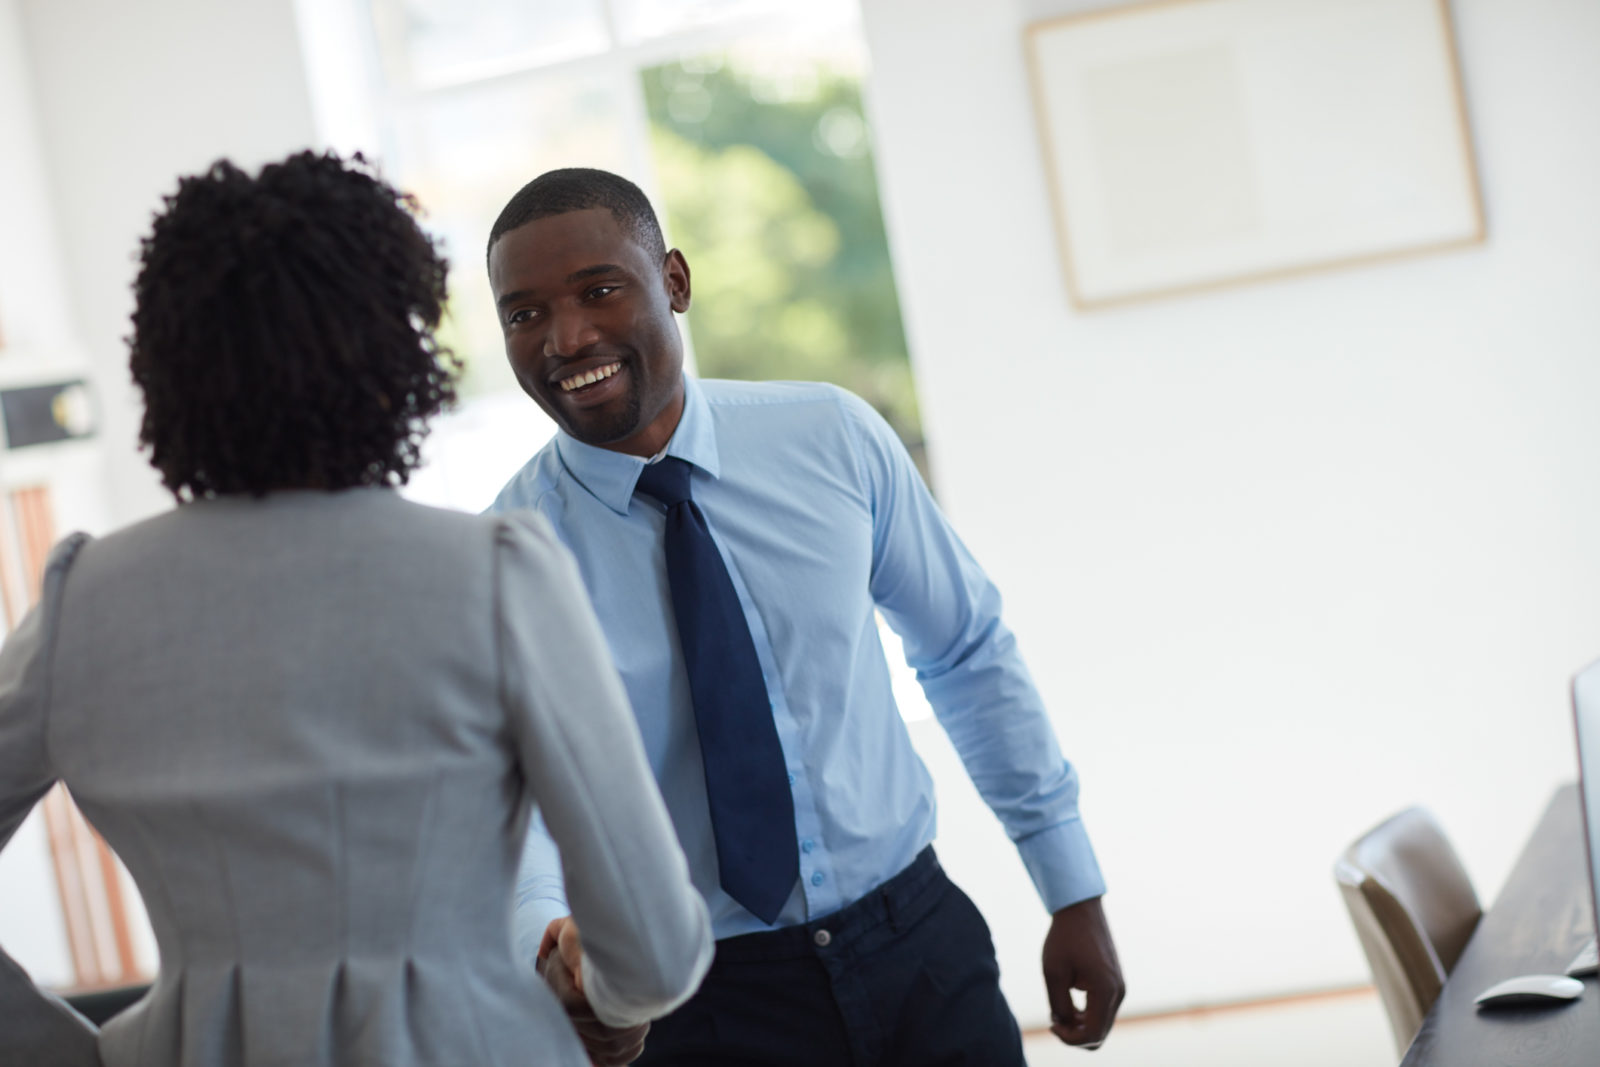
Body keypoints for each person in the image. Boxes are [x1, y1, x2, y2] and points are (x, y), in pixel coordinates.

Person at [0, 151, 711, 1067]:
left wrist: (74, 1053)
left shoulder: (79, 605)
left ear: (166, 364)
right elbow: (654, 948)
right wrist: (606, 998)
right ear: (396, 352)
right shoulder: (495, 575)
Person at [484, 167, 1124, 1066]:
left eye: (599, 290)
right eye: (524, 314)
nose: (568, 336)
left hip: (920, 948)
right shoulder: (505, 560)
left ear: (674, 281)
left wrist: (1071, 887)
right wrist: (550, 951)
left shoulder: (831, 436)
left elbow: (965, 651)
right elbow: (516, 810)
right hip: (697, 1011)